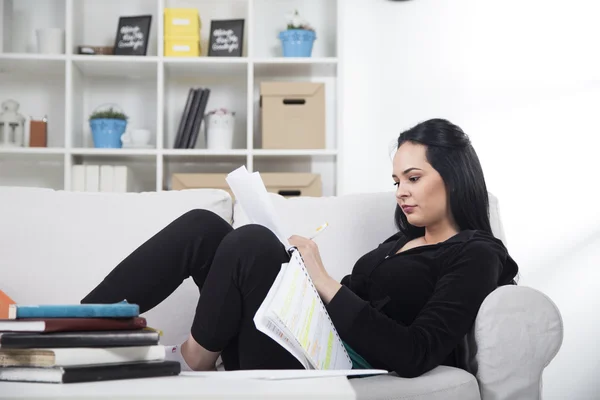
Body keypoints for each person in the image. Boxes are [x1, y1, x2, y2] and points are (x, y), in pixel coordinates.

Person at [81, 118, 519, 378]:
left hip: (331, 367)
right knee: (204, 227)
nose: (401, 192)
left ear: (455, 175)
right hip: (302, 339)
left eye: (413, 178)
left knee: (252, 242)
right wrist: (303, 278)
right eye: (396, 181)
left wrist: (324, 283)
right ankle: (70, 329)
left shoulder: (475, 253)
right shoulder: (398, 244)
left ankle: (195, 357)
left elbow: (416, 350)